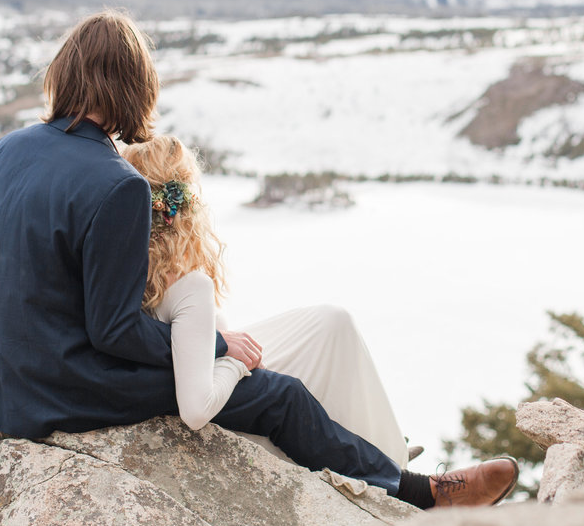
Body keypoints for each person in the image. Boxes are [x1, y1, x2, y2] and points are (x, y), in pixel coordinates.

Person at [0, 9, 519, 509]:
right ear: (134, 88)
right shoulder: (117, 184)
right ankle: (421, 495)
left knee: (282, 358)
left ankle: (379, 457)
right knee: (280, 396)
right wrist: (218, 345)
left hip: (13, 380)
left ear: (64, 73)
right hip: (71, 389)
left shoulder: (6, 150)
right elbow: (113, 332)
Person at [123, 135, 409, 468]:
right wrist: (235, 361)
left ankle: (382, 449)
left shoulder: (131, 265)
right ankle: (391, 462)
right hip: (222, 395)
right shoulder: (187, 285)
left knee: (332, 321)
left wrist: (226, 348)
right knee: (329, 340)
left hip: (207, 369)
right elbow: (196, 409)